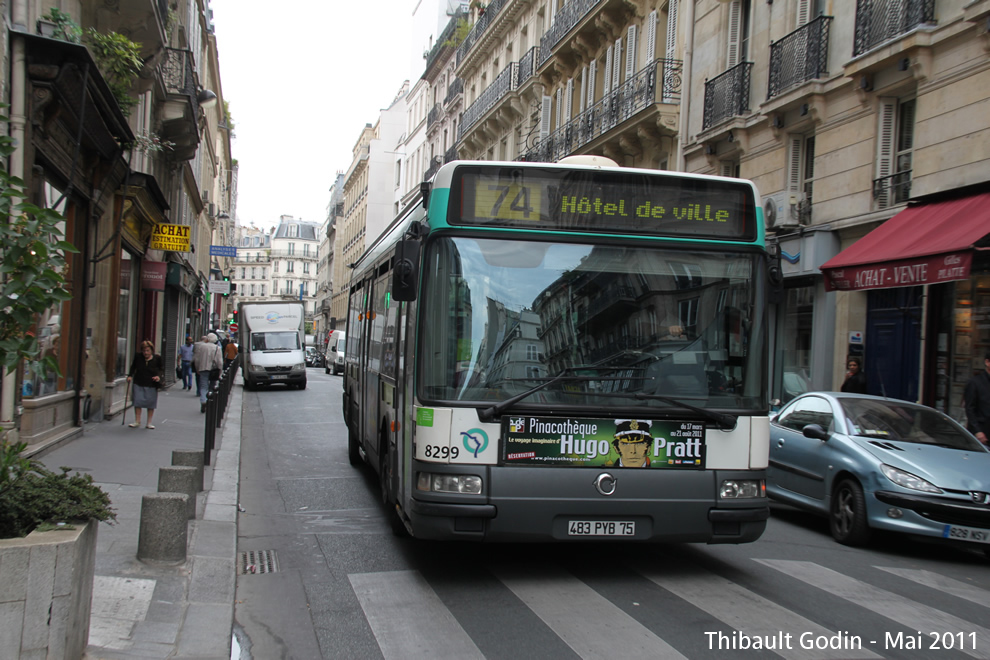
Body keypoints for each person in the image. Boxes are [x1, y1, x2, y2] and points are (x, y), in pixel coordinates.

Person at [127, 340, 163, 429]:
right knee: (137, 401)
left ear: (151, 350)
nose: (145, 353)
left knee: (150, 403)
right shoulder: (138, 357)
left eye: (147, 351)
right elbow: (133, 366)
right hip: (139, 381)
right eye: (144, 351)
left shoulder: (157, 358)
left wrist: (158, 377)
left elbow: (161, 369)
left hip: (151, 383)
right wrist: (130, 376)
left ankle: (149, 422)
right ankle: (137, 421)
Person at [964, 351, 990, 446]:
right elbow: (969, 409)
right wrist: (977, 431)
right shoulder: (975, 383)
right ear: (987, 362)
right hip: (982, 434)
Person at [193, 333, 223, 413]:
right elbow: (220, 362)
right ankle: (210, 402)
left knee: (203, 386)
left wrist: (197, 368)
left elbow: (197, 359)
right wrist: (220, 371)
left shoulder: (201, 347)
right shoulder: (217, 348)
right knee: (212, 386)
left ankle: (203, 401)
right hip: (213, 369)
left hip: (203, 368)